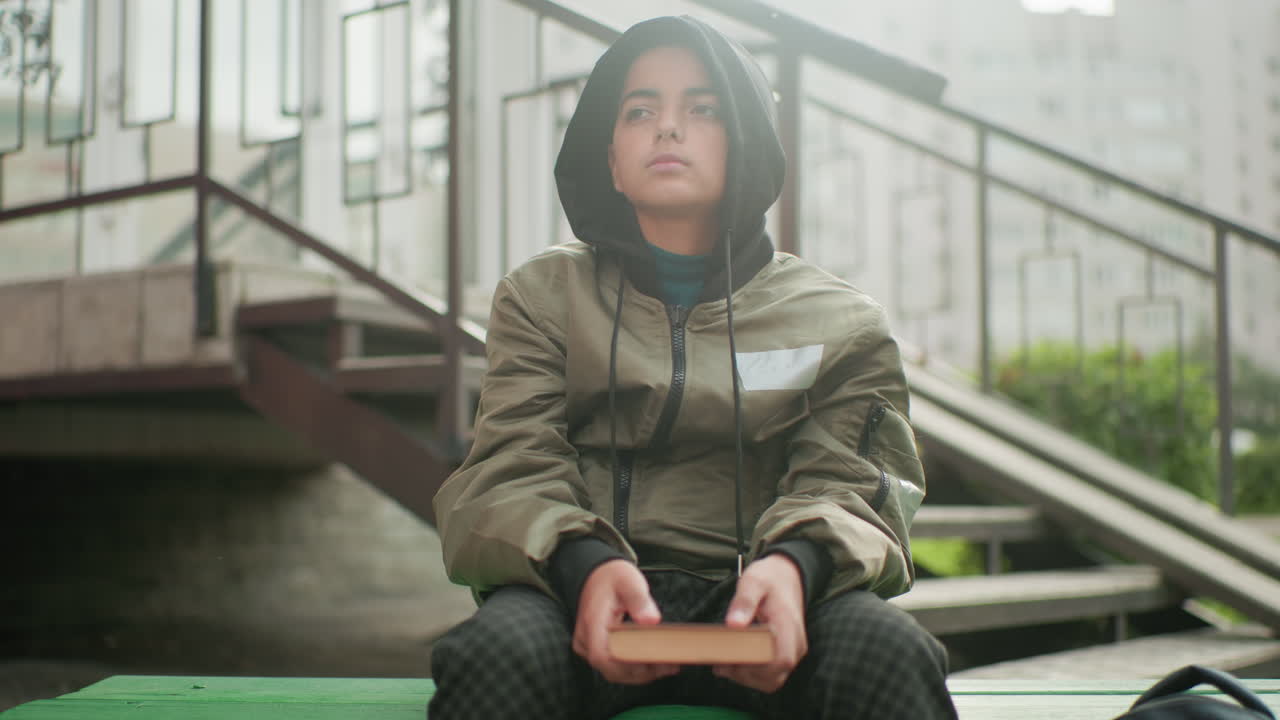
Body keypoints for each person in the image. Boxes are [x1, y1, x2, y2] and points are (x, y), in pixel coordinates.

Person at [428, 15, 957, 720]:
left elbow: (854, 484)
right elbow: (509, 466)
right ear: (610, 157)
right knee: (491, 656)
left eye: (702, 109)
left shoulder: (841, 322)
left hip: (769, 604)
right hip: (581, 596)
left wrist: (794, 569)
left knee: (889, 652)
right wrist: (586, 569)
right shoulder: (542, 297)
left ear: (746, 147)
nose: (667, 128)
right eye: (640, 110)